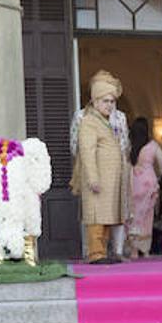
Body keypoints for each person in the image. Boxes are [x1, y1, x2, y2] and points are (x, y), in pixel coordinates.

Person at [71, 72, 131, 259]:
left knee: (106, 216)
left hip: (109, 180)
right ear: (95, 101)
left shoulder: (106, 120)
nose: (109, 105)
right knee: (96, 217)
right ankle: (95, 254)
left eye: (112, 102)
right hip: (97, 180)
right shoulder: (88, 121)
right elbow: (86, 153)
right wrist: (93, 178)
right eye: (105, 101)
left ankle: (102, 253)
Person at [125, 117, 162, 259]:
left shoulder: (128, 145)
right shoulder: (152, 146)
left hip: (132, 183)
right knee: (146, 217)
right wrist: (161, 175)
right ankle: (145, 250)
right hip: (148, 184)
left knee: (132, 216)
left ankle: (133, 250)